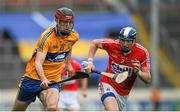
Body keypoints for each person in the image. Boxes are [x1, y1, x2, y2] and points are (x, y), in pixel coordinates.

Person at [12, 7, 79, 111]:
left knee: (52, 107)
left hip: (53, 79)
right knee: (18, 110)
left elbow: (68, 48)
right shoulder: (47, 37)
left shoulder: (74, 36)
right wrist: (43, 79)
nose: (68, 26)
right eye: (65, 22)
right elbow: (38, 63)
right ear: (57, 21)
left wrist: (68, 64)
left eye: (70, 23)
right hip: (32, 79)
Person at [86, 27, 152, 111]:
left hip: (123, 94)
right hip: (107, 84)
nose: (125, 44)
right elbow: (94, 43)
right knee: (113, 110)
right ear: (119, 39)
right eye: (122, 40)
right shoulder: (113, 44)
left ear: (134, 41)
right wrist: (90, 62)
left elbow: (148, 79)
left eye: (128, 41)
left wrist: (138, 72)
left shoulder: (142, 52)